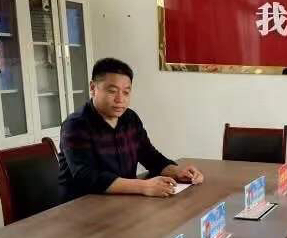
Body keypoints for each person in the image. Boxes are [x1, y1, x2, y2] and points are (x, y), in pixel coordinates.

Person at [58, 58, 204, 202]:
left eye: (126, 92)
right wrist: (144, 186)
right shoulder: (76, 124)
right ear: (92, 88)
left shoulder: (130, 118)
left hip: (124, 200)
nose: (120, 99)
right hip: (82, 205)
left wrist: (178, 172)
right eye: (112, 91)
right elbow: (87, 176)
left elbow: (150, 156)